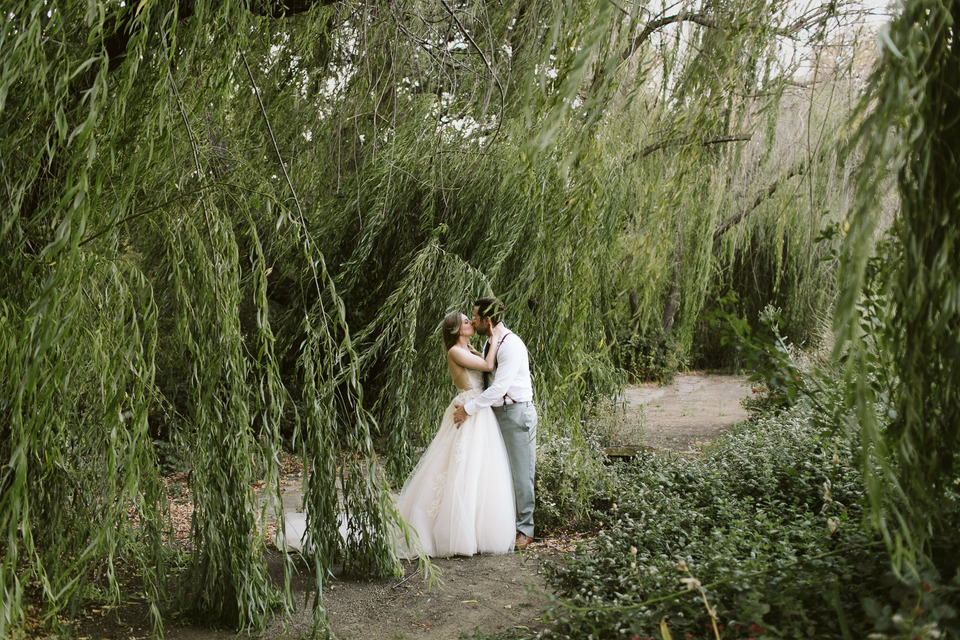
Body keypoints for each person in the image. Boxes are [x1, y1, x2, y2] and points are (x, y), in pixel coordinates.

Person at [393, 310, 517, 557]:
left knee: (479, 470)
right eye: (465, 321)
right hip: (468, 409)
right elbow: (488, 365)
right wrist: (493, 336)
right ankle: (451, 533)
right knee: (460, 468)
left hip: (478, 410)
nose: (471, 322)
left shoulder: (469, 348)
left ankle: (476, 530)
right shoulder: (455, 352)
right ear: (458, 330)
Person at [453, 297, 537, 551]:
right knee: (497, 472)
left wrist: (468, 408)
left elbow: (500, 387)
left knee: (521, 473)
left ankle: (525, 529)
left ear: (487, 320)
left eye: (476, 318)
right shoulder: (491, 341)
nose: (473, 321)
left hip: (515, 412)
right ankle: (500, 525)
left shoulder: (510, 344)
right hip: (494, 415)